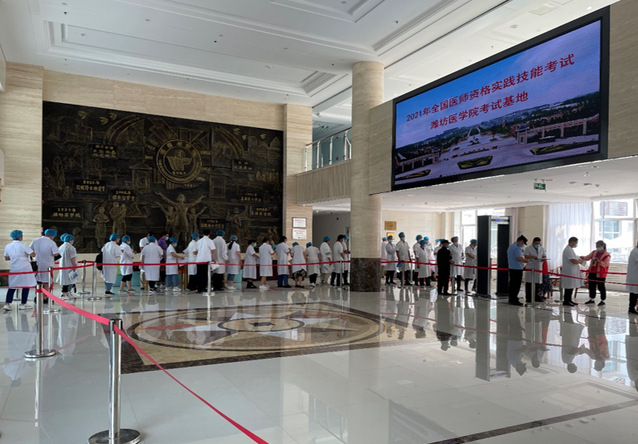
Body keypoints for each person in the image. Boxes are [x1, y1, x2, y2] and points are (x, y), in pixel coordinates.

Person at [4, 230, 37, 310]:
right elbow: (33, 254)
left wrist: (15, 258)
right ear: (20, 237)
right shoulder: (23, 245)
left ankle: (7, 304)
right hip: (25, 268)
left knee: (12, 286)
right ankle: (23, 304)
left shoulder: (8, 246)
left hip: (14, 268)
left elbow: (6, 258)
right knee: (26, 285)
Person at [581, 240, 611, 306]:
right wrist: (583, 258)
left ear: (602, 246)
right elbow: (588, 257)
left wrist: (599, 261)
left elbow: (606, 264)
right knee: (591, 286)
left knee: (601, 287)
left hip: (600, 273)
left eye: (598, 246)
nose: (597, 247)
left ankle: (602, 300)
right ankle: (592, 299)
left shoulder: (607, 255)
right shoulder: (594, 252)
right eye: (596, 246)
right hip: (592, 271)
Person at [561, 237, 583, 307]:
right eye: (576, 243)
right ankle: (566, 301)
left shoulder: (570, 249)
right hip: (569, 271)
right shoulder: (568, 250)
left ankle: (569, 300)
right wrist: (579, 261)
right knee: (568, 287)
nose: (576, 244)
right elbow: (573, 260)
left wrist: (578, 259)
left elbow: (574, 258)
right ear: (572, 242)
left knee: (571, 286)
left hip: (572, 271)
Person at [507, 235, 529, 306]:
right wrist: (526, 261)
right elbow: (519, 258)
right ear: (521, 241)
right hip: (517, 269)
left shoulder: (511, 246)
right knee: (516, 285)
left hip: (512, 268)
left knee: (512, 285)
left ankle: (512, 299)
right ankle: (514, 300)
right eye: (523, 243)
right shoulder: (516, 247)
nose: (523, 245)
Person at [523, 237, 546, 303]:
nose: (538, 245)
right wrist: (532, 257)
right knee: (529, 284)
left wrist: (544, 258)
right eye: (536, 243)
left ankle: (536, 297)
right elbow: (526, 256)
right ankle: (529, 298)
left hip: (538, 267)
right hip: (531, 267)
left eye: (539, 243)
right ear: (533, 243)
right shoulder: (528, 248)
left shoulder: (541, 248)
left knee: (537, 284)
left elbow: (544, 255)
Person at [194, 229, 217, 293]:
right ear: (209, 234)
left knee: (199, 274)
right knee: (205, 275)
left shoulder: (199, 241)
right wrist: (214, 259)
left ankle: (199, 288)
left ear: (203, 234)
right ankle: (203, 288)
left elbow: (197, 250)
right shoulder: (210, 241)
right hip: (206, 260)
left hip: (199, 260)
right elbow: (212, 251)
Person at [57, 234, 78, 300]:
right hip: (69, 266)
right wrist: (74, 266)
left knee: (65, 281)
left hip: (63, 266)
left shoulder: (61, 247)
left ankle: (66, 292)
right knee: (69, 280)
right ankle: (65, 293)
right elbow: (73, 258)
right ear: (70, 240)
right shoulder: (71, 248)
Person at [627, 241, 638, 315]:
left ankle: (633, 308)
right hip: (635, 277)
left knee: (635, 293)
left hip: (635, 276)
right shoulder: (635, 252)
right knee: (634, 293)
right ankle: (631, 309)